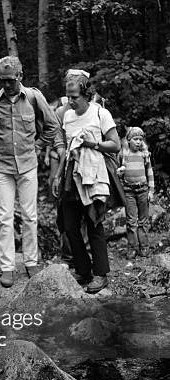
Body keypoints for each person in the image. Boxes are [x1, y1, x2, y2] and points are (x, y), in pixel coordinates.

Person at [0, 56, 63, 287]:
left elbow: (53, 125)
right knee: (4, 218)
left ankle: (31, 261)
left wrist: (37, 145)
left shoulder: (34, 97)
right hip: (2, 167)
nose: (6, 85)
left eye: (10, 80)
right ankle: (7, 267)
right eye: (2, 80)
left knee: (30, 216)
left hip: (28, 165)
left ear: (20, 76)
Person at [52, 69, 121, 294]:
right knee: (70, 226)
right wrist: (58, 175)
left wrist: (93, 144)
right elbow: (66, 148)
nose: (70, 101)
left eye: (74, 97)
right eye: (68, 96)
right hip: (72, 176)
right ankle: (83, 270)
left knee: (93, 223)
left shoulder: (100, 113)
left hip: (93, 175)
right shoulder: (67, 116)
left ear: (86, 94)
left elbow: (115, 144)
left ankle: (101, 274)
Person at [117, 126, 154, 258]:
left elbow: (150, 172)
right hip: (129, 192)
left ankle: (144, 246)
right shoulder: (123, 155)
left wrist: (151, 190)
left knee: (143, 220)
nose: (138, 142)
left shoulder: (144, 154)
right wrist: (120, 173)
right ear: (128, 140)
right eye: (135, 139)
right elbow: (119, 174)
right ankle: (132, 247)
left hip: (143, 190)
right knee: (131, 221)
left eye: (140, 139)